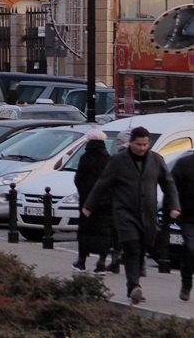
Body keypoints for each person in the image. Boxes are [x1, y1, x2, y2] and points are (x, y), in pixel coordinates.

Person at [84, 125, 181, 304]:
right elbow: (102, 183)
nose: (142, 148)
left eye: (145, 144)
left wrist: (174, 205)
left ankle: (134, 282)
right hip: (124, 212)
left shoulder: (156, 160)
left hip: (147, 213)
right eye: (138, 144)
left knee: (142, 248)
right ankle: (134, 286)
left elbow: (168, 183)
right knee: (132, 247)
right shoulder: (118, 160)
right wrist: (89, 205)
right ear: (131, 143)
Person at [72, 130, 113, 273]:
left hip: (86, 201)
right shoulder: (109, 159)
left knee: (85, 231)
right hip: (106, 202)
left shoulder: (85, 158)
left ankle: (81, 260)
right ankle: (101, 262)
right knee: (104, 232)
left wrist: (83, 193)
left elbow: (78, 178)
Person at [172, 148, 194, 300]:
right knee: (191, 249)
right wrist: (174, 206)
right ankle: (186, 283)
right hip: (188, 216)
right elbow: (171, 187)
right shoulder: (184, 164)